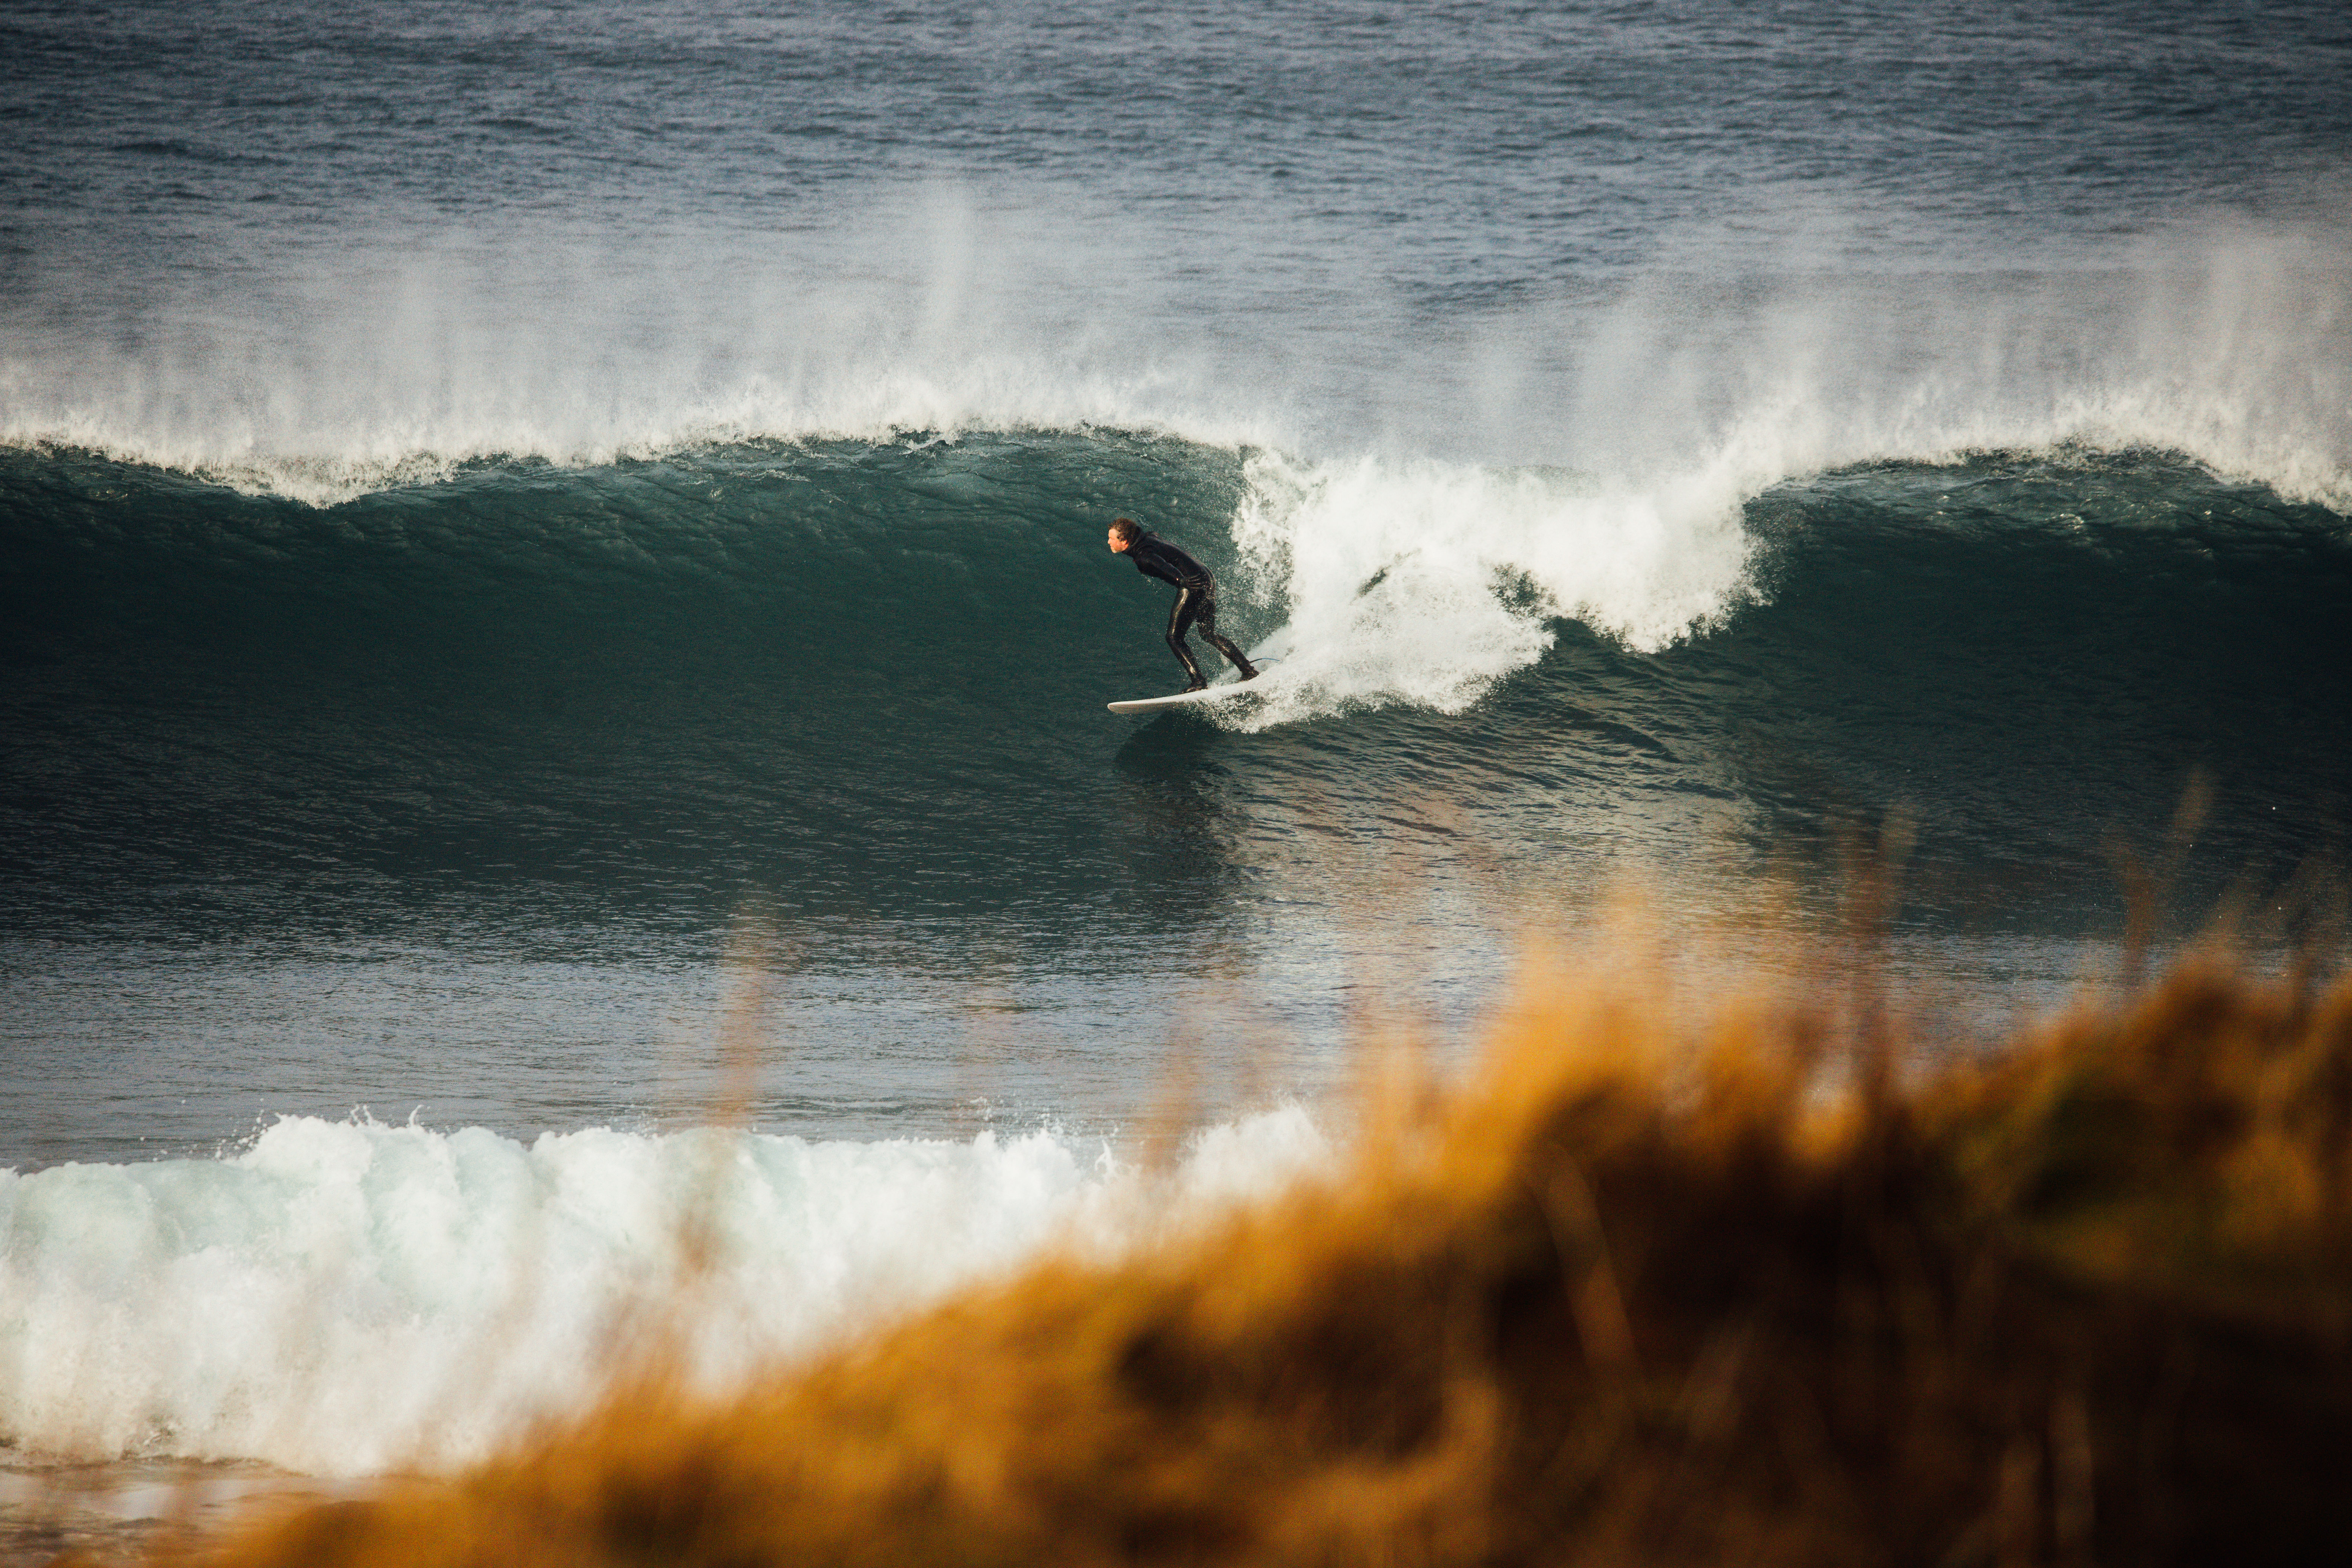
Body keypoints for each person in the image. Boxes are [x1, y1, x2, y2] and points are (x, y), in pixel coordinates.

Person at [1107, 516, 1260, 691]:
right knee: (1208, 634)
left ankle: (1199, 682)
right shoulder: (1149, 537)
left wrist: (1182, 581)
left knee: (1173, 638)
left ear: (1125, 541)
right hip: (1207, 577)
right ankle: (1248, 670)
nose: (1109, 541)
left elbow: (1166, 569)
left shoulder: (1144, 557)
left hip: (1194, 584)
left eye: (1112, 538)